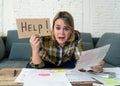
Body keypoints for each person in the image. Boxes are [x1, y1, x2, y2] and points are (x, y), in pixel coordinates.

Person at [26, 11, 104, 72]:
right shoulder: (44, 37)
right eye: (58, 28)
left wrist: (94, 65)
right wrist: (35, 50)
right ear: (53, 28)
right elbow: (38, 65)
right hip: (47, 64)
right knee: (31, 68)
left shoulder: (76, 36)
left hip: (66, 65)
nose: (62, 32)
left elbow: (79, 59)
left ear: (71, 30)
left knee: (80, 68)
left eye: (66, 29)